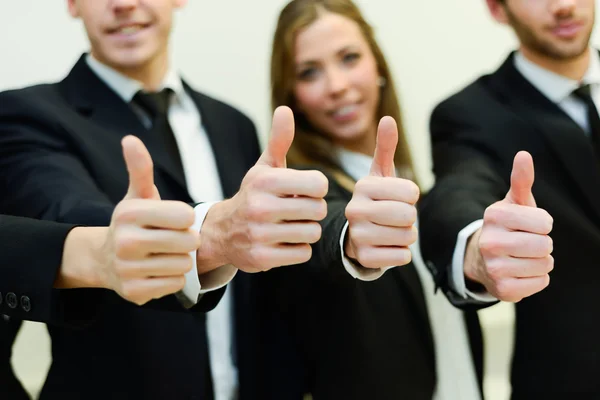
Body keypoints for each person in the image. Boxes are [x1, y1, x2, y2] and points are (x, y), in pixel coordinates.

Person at [0, 0, 328, 398]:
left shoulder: (234, 124)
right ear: (72, 4)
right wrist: (208, 235)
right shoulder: (25, 113)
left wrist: (345, 233)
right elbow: (67, 213)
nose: (123, 4)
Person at [256, 1, 482, 399]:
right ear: (292, 94)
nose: (337, 85)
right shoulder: (301, 194)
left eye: (349, 58)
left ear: (377, 66)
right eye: (309, 72)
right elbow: (327, 230)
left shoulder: (417, 189)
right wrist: (351, 239)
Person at [418, 0, 598, 398]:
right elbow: (458, 189)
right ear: (498, 9)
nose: (564, 5)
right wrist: (476, 249)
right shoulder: (470, 114)